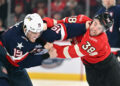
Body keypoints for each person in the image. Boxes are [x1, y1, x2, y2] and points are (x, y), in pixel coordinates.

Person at [48, 12, 120, 86]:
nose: (95, 29)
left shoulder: (98, 41)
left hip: (109, 67)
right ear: (93, 20)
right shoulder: (81, 19)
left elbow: (72, 52)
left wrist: (51, 48)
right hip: (90, 67)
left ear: (103, 31)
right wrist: (46, 23)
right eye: (95, 24)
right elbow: (62, 21)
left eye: (99, 28)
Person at [0, 13, 52, 86]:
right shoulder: (16, 40)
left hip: (12, 61)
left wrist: (44, 43)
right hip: (3, 59)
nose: (37, 35)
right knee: (3, 82)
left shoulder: (28, 25)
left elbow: (39, 32)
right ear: (25, 29)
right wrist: (46, 55)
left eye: (39, 32)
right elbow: (24, 62)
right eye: (34, 32)